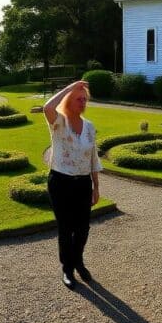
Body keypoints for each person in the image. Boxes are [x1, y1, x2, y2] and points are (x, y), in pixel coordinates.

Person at [43, 80, 102, 290]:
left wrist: (96, 186)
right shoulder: (59, 122)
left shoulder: (89, 127)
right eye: (79, 99)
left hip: (83, 183)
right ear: (69, 99)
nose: (83, 102)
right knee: (66, 228)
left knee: (83, 228)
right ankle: (67, 268)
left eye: (85, 99)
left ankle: (78, 261)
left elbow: (93, 157)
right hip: (61, 182)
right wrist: (70, 87)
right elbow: (47, 107)